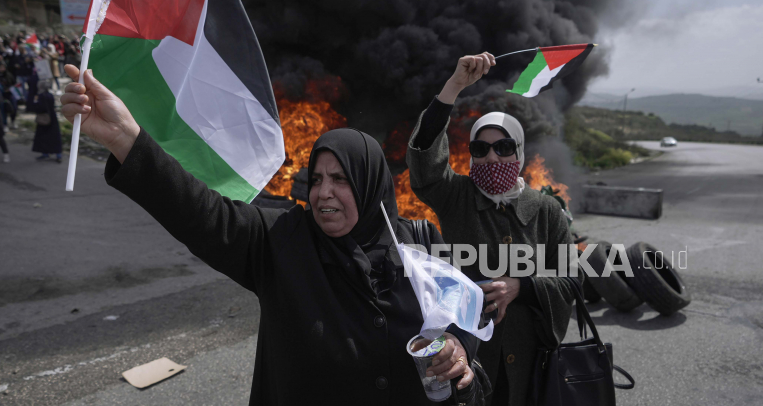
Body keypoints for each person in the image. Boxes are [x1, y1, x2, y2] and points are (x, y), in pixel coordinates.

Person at [60, 65, 488, 405]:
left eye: (341, 180)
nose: (324, 193)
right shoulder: (281, 241)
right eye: (317, 179)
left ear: (371, 183)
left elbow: (463, 315)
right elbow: (200, 212)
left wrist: (460, 350)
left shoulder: (420, 243)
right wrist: (125, 139)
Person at [406, 52, 578, 406]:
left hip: (531, 364)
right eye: (481, 149)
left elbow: (572, 278)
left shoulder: (547, 211)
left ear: (519, 152)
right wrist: (453, 87)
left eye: (503, 148)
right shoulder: (457, 196)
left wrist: (523, 286)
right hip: (467, 356)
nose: (492, 158)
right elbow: (424, 165)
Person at [33, 80, 63, 163]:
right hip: (52, 118)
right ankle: (58, 155)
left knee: (43, 137)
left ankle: (45, 153)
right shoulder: (50, 95)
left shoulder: (40, 96)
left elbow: (39, 108)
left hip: (44, 119)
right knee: (54, 138)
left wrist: (35, 102)